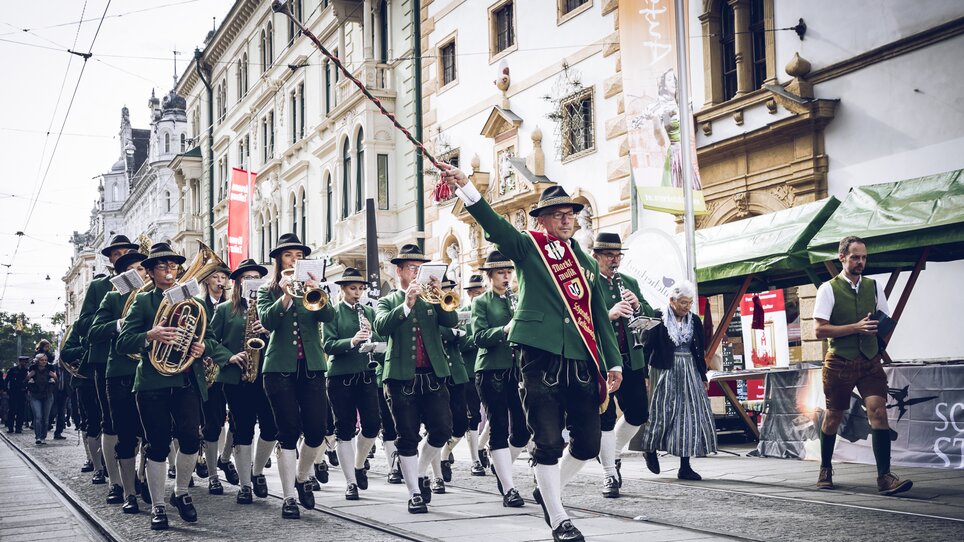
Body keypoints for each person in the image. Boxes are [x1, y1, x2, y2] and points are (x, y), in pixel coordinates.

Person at [445, 169, 623, 542]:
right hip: (538, 356)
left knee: (589, 443)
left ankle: (548, 489)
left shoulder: (586, 262)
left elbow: (595, 314)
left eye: (570, 213)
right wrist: (466, 186)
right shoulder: (529, 247)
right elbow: (495, 226)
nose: (565, 219)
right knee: (547, 440)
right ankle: (559, 518)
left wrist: (614, 361)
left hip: (581, 359)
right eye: (557, 213)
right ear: (541, 219)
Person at [116, 242, 210, 530]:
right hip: (152, 382)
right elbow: (122, 342)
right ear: (151, 272)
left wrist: (199, 348)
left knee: (192, 439)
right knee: (157, 445)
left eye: (173, 266)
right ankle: (158, 505)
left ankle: (181, 492)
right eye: (162, 266)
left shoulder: (193, 301)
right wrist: (150, 334)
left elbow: (205, 335)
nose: (169, 271)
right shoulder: (143, 301)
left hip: (183, 379)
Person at [813, 236, 912, 496]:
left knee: (878, 411)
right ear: (842, 257)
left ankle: (885, 477)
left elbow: (885, 320)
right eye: (855, 257)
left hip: (869, 360)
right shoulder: (828, 289)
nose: (860, 262)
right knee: (834, 416)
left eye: (864, 257)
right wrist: (855, 327)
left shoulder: (874, 286)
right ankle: (825, 468)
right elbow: (819, 330)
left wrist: (878, 334)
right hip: (839, 362)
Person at [372, 243, 457, 514]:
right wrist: (407, 304)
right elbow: (382, 326)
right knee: (407, 436)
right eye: (412, 268)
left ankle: (420, 472)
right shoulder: (388, 300)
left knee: (442, 430)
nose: (418, 273)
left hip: (433, 375)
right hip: (400, 378)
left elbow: (451, 319)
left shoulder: (432, 297)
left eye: (421, 269)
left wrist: (441, 292)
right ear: (399, 272)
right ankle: (414, 492)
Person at [257, 233, 336, 519]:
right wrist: (286, 295)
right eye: (289, 255)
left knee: (317, 431)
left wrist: (318, 290)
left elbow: (330, 319)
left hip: (312, 367)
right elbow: (267, 321)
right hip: (279, 369)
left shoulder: (312, 289)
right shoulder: (268, 289)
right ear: (279, 259)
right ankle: (289, 495)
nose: (295, 259)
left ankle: (303, 478)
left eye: (299, 255)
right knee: (288, 432)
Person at [585, 232, 655, 498]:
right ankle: (609, 475)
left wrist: (638, 306)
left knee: (638, 412)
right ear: (597, 257)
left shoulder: (629, 282)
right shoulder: (589, 283)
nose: (614, 261)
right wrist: (609, 313)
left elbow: (649, 315)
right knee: (604, 418)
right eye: (609, 256)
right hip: (602, 359)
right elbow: (581, 319)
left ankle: (613, 454)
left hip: (631, 357)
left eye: (617, 256)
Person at [206, 258, 278, 505]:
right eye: (246, 278)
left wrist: (268, 331)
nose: (251, 282)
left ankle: (257, 471)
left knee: (271, 427)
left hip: (266, 374)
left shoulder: (268, 306)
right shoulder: (226, 309)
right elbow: (209, 340)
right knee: (243, 429)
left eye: (255, 277)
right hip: (237, 377)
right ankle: (246, 484)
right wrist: (228, 356)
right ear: (237, 283)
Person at [89, 250, 149, 513]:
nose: (143, 273)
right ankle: (128, 492)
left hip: (148, 372)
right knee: (124, 435)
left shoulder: (153, 298)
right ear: (125, 273)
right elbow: (93, 332)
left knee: (151, 435)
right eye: (137, 268)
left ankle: (142, 477)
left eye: (145, 269)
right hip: (121, 374)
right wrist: (119, 323)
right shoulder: (113, 297)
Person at [471, 250, 531, 507]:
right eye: (501, 273)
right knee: (498, 427)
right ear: (490, 276)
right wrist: (504, 329)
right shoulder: (481, 302)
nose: (506, 277)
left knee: (521, 430)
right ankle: (509, 488)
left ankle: (499, 465)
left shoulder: (515, 299)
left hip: (515, 370)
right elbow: (479, 337)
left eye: (509, 272)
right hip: (490, 370)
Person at [640, 280, 716, 480]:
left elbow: (699, 351)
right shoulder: (659, 317)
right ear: (671, 300)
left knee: (689, 417)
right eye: (683, 302)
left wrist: (702, 375)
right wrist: (644, 375)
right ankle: (649, 449)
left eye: (689, 303)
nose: (687, 307)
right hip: (664, 370)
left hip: (689, 370)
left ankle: (685, 465)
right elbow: (646, 347)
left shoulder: (694, 321)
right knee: (661, 413)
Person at [80, 234, 140, 487]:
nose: (122, 256)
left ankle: (136, 475)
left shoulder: (147, 286)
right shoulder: (101, 286)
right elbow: (85, 325)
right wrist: (116, 324)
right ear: (111, 260)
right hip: (107, 361)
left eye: (127, 252)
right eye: (117, 254)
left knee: (139, 425)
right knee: (111, 423)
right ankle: (114, 480)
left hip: (138, 361)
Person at [321, 267, 383, 501]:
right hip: (340, 376)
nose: (358, 293)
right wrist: (352, 340)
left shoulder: (368, 311)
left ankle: (359, 465)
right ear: (344, 290)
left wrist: (372, 341)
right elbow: (328, 345)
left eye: (360, 289)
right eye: (353, 289)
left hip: (365, 374)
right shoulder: (333, 312)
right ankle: (349, 482)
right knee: (344, 430)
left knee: (372, 425)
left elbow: (379, 339)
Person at [198, 265, 240, 495]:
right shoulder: (199, 305)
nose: (220, 281)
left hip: (231, 370)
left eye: (224, 277)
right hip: (208, 371)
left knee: (237, 420)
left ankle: (225, 458)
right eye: (216, 276)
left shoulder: (233, 306)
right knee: (213, 423)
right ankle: (213, 474)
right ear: (207, 281)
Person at [430, 274, 472, 493]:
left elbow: (467, 340)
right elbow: (437, 332)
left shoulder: (453, 309)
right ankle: (436, 475)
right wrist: (451, 332)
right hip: (437, 372)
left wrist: (460, 333)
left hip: (455, 371)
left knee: (460, 424)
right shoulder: (430, 305)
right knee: (437, 427)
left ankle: (445, 454)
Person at [460, 274, 487, 476]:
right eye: (477, 293)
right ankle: (475, 459)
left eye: (482, 292)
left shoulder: (487, 309)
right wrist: (478, 340)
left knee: (495, 415)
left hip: (488, 368)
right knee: (473, 416)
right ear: (469, 294)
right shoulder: (461, 313)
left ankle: (482, 446)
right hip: (469, 370)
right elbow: (459, 343)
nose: (480, 296)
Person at [26, 353, 58, 445]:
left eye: (45, 360)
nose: (44, 362)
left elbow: (56, 383)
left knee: (46, 418)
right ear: (37, 361)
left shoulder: (51, 368)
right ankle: (38, 437)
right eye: (41, 360)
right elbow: (26, 382)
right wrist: (28, 377)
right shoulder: (32, 368)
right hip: (35, 395)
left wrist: (55, 377)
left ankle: (43, 437)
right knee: (38, 416)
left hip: (48, 395)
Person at [4, 356, 29, 434]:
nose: (24, 363)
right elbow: (7, 380)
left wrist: (26, 390)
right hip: (13, 393)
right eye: (23, 361)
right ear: (20, 361)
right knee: (12, 410)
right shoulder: (12, 370)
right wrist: (6, 390)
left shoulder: (27, 371)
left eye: (26, 362)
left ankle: (18, 427)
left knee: (20, 411)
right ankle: (10, 427)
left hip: (22, 393)